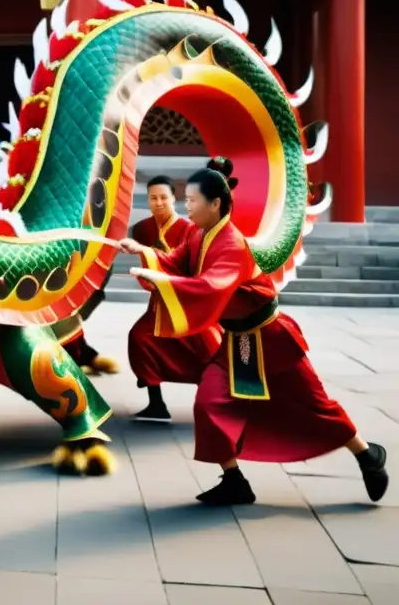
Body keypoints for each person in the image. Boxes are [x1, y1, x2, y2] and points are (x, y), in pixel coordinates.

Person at [120, 158, 388, 506]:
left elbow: (210, 286)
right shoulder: (200, 236)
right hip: (236, 342)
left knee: (314, 405)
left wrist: (164, 280)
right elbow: (176, 261)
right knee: (209, 402)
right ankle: (234, 481)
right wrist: (143, 251)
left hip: (270, 338)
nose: (187, 206)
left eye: (193, 200)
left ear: (215, 204)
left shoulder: (232, 244)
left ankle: (366, 454)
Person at [127, 175, 220, 422]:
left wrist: (148, 255)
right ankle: (156, 404)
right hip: (160, 304)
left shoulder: (191, 229)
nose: (158, 203)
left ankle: (215, 404)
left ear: (174, 199)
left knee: (209, 349)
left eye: (163, 198)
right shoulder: (143, 229)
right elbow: (148, 270)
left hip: (188, 303)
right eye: (153, 198)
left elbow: (192, 267)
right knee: (141, 338)